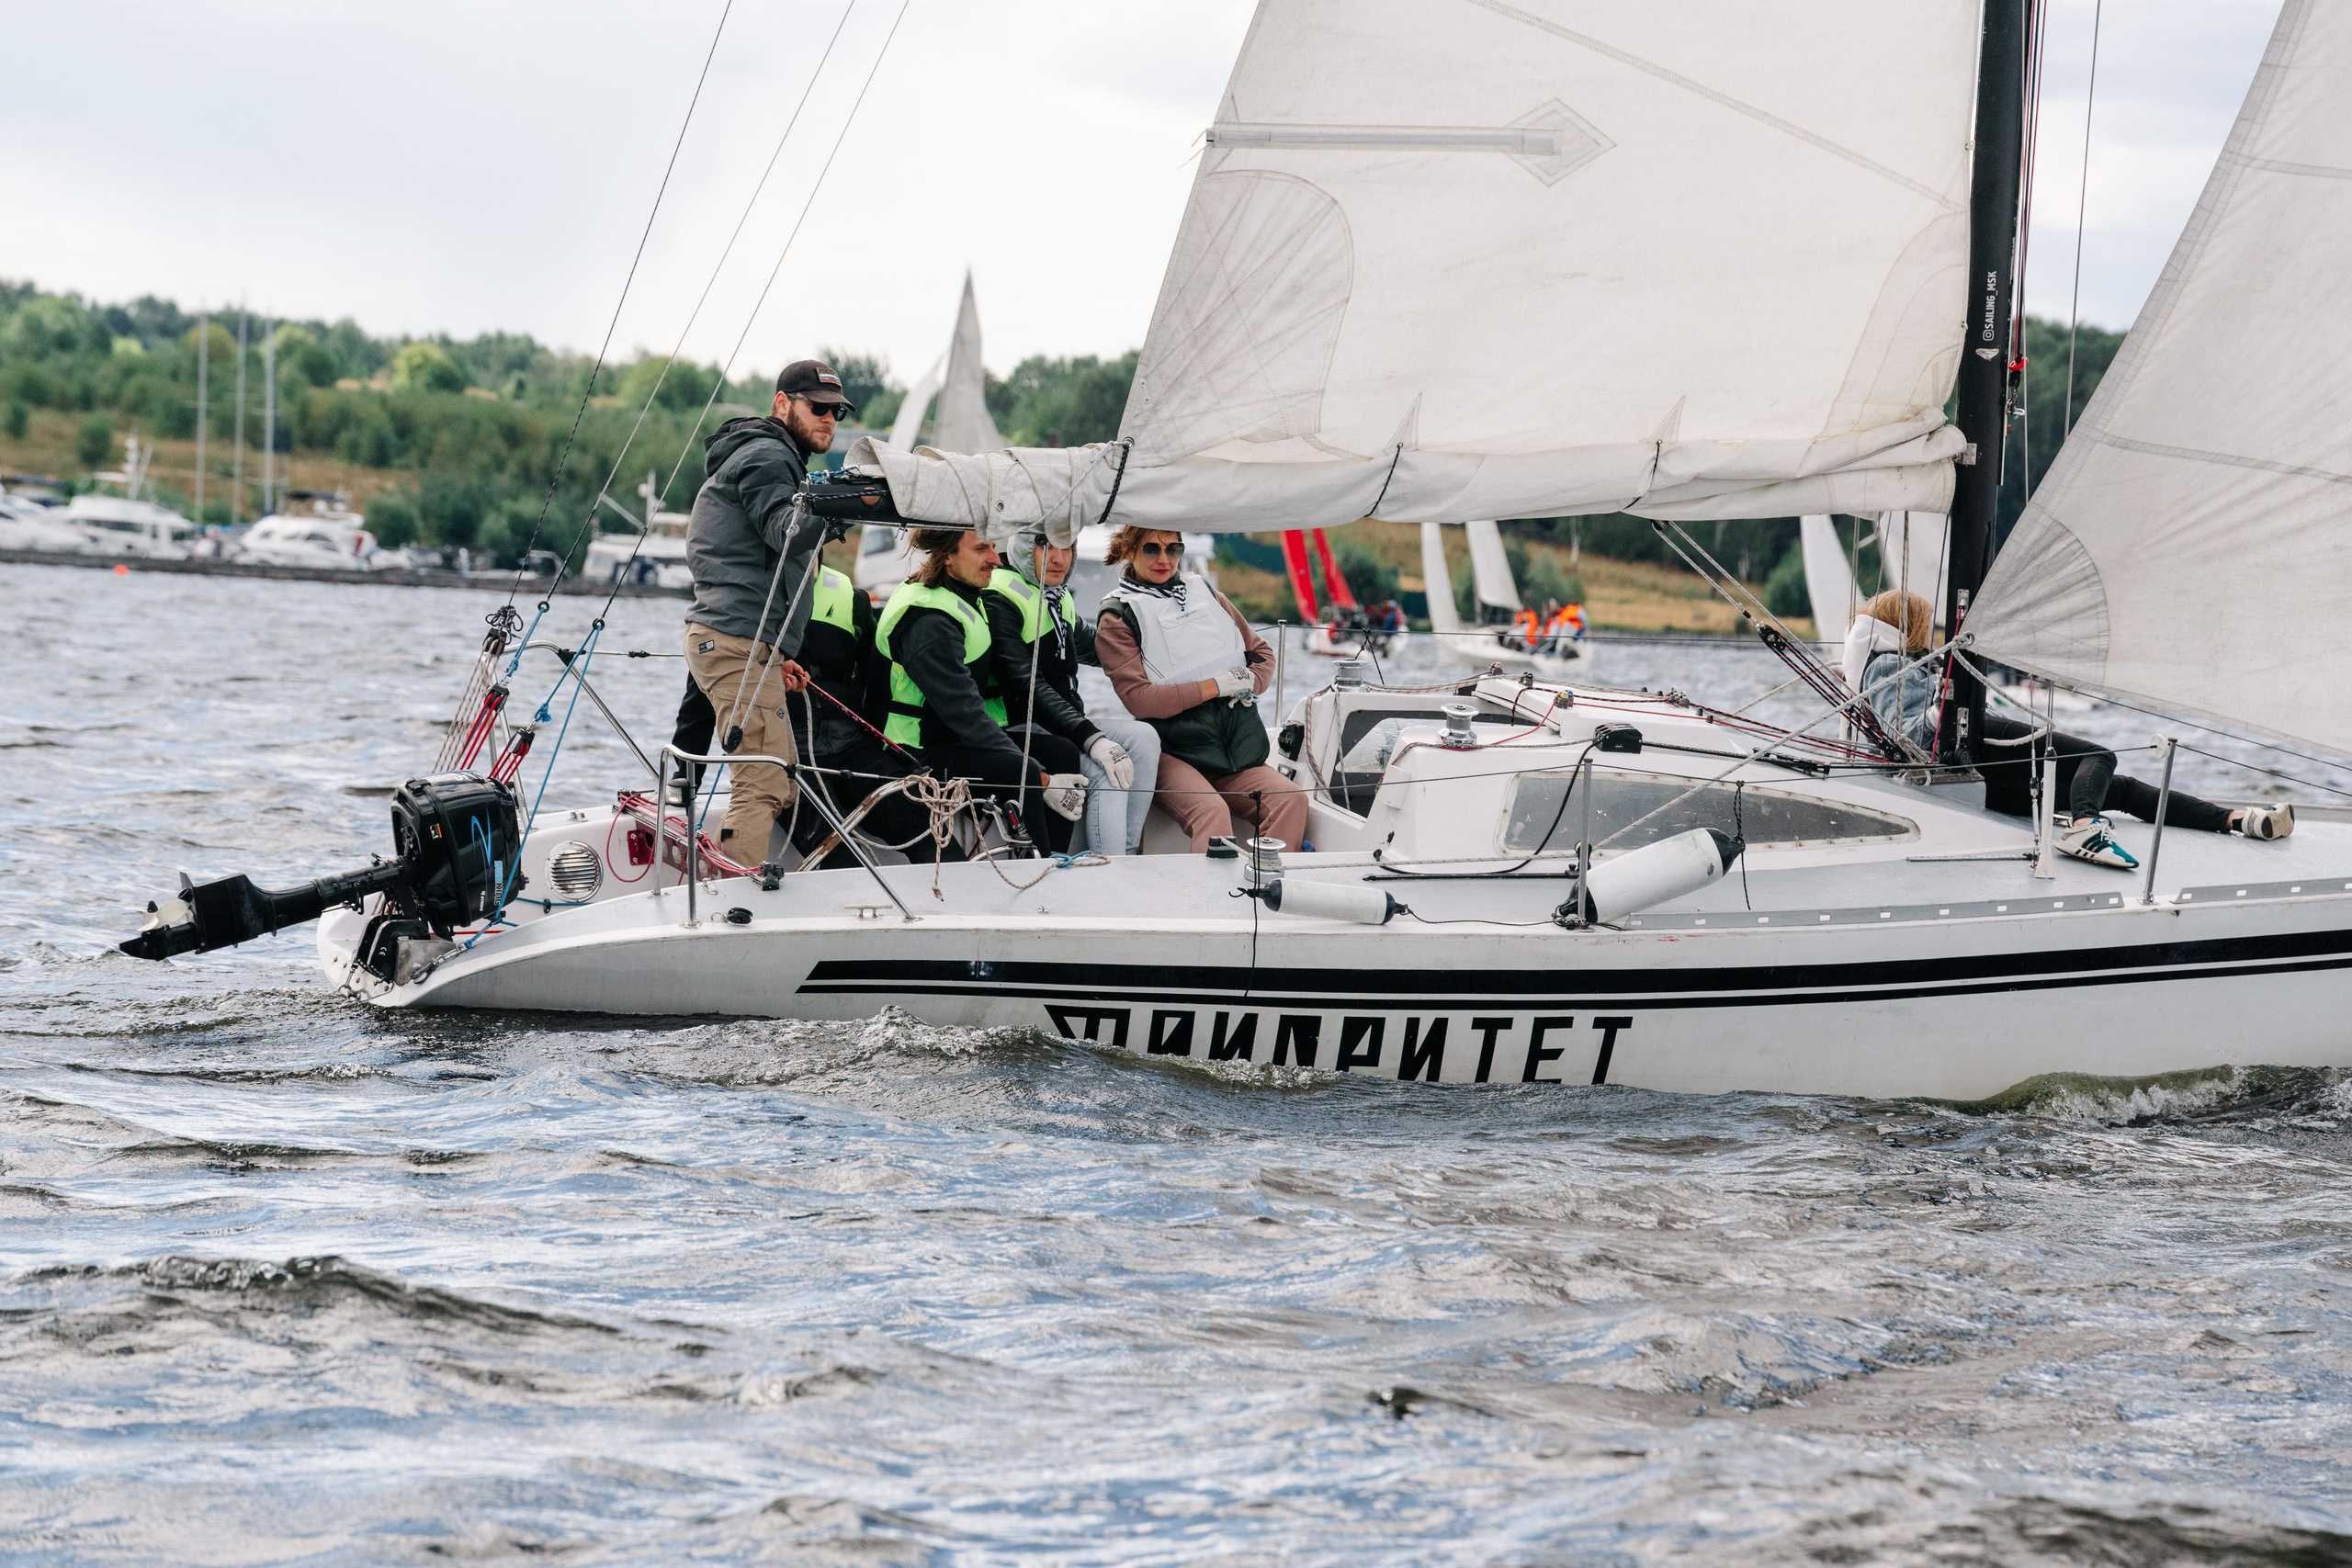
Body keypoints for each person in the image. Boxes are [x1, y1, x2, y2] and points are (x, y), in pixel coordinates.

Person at [1845, 592, 2293, 865]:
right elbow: (1910, 733)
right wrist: (1952, 691)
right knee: (2099, 757)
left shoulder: (1892, 663)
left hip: (1987, 775)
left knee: (2119, 788)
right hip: (1975, 752)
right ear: (1912, 626)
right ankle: (2084, 826)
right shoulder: (1888, 664)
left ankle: (2236, 820)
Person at [680, 358, 851, 863]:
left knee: (782, 776)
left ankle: (760, 884)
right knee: (764, 781)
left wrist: (776, 657)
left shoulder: (775, 458)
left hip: (745, 644)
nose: (829, 419)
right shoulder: (767, 457)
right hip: (733, 642)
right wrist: (845, 503)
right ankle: (731, 905)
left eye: (837, 412)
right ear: (782, 403)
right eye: (818, 408)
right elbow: (787, 532)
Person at [875, 526, 1089, 854]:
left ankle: (1057, 858)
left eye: (992, 547)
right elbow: (966, 715)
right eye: (980, 550)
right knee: (1024, 770)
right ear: (947, 556)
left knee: (1062, 752)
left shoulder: (964, 594)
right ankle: (1039, 867)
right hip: (918, 750)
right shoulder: (929, 623)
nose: (994, 559)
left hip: (951, 738)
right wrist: (1044, 782)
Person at [1095, 525, 1308, 853]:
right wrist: (1217, 686)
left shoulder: (1205, 592)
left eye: (1173, 549)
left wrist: (1248, 681)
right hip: (1171, 753)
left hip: (1232, 752)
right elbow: (1139, 700)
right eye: (1151, 549)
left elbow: (1262, 655)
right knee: (1212, 813)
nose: (1164, 559)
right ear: (1129, 550)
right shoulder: (1116, 617)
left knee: (1290, 801)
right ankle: (1207, 903)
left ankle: (1266, 892)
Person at [984, 530, 1160, 856]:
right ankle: (1110, 868)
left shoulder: (1056, 595)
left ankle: (1128, 852)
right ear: (1021, 549)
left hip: (1063, 725)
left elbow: (1096, 648)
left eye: (1067, 547)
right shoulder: (1000, 598)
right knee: (1106, 771)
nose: (1058, 559)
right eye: (1045, 547)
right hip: (1018, 728)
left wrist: (1157, 650)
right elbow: (1026, 682)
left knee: (1145, 737)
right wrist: (1093, 739)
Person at [782, 555, 950, 868]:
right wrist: (688, 774)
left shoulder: (852, 597)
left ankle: (957, 905)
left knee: (928, 828)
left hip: (852, 743)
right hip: (785, 753)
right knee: (837, 853)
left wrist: (887, 751)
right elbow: (709, 688)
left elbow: (875, 676)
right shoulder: (746, 601)